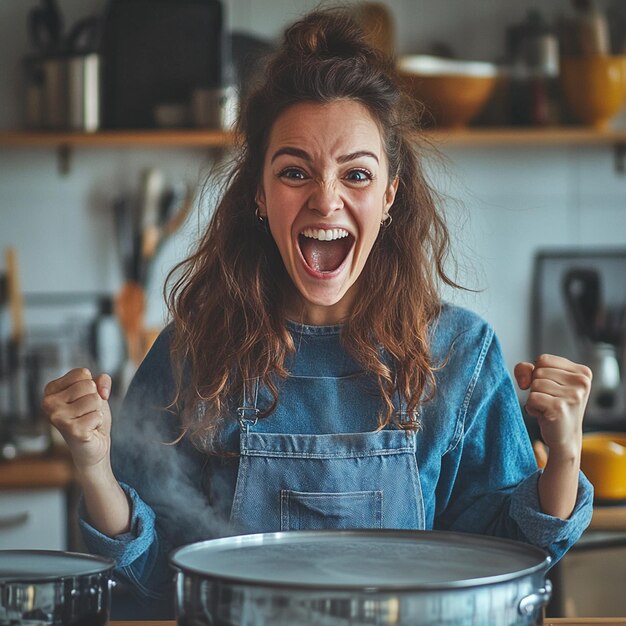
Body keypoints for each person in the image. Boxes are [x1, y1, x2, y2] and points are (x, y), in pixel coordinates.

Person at [42, 8, 593, 619]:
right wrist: (93, 464)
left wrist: (565, 453)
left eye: (355, 174)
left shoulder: (460, 355)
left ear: (389, 196)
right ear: (259, 192)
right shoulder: (195, 351)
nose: (325, 198)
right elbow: (145, 579)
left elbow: (509, 568)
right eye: (295, 171)